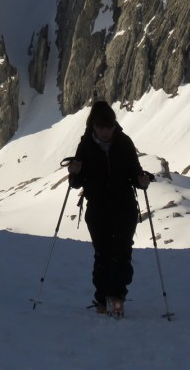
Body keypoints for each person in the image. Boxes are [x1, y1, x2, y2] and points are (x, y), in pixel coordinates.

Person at [67, 100, 151, 316]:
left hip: (124, 208)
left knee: (122, 253)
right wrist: (75, 172)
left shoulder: (124, 143)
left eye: (109, 127)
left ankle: (116, 296)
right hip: (98, 209)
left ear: (114, 125)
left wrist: (142, 179)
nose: (105, 131)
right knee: (103, 254)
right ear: (93, 126)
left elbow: (135, 172)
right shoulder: (85, 146)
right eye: (101, 127)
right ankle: (103, 298)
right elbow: (76, 183)